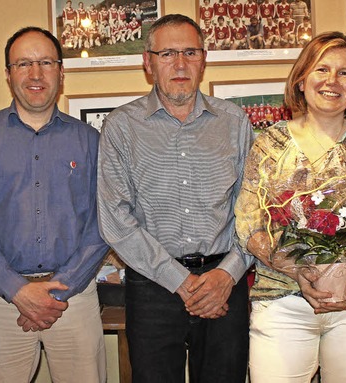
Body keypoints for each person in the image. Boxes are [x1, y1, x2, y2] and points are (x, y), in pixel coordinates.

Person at [235, 31, 346, 382]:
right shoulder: (271, 143)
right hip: (283, 301)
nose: (332, 81)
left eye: (344, 73)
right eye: (322, 69)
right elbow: (248, 223)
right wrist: (298, 271)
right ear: (301, 79)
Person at [97, 14, 253, 383]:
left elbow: (253, 212)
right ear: (147, 63)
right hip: (152, 287)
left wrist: (226, 274)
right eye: (167, 53)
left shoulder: (234, 122)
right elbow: (115, 219)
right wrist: (180, 281)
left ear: (204, 59)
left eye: (189, 52)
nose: (180, 64)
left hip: (223, 285)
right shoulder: (120, 126)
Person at [0, 27, 109, 383]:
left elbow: (103, 224)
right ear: (8, 74)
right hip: (3, 300)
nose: (35, 74)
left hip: (74, 297)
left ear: (61, 72)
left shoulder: (91, 141)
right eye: (23, 63)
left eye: (46, 62)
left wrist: (60, 288)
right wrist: (18, 291)